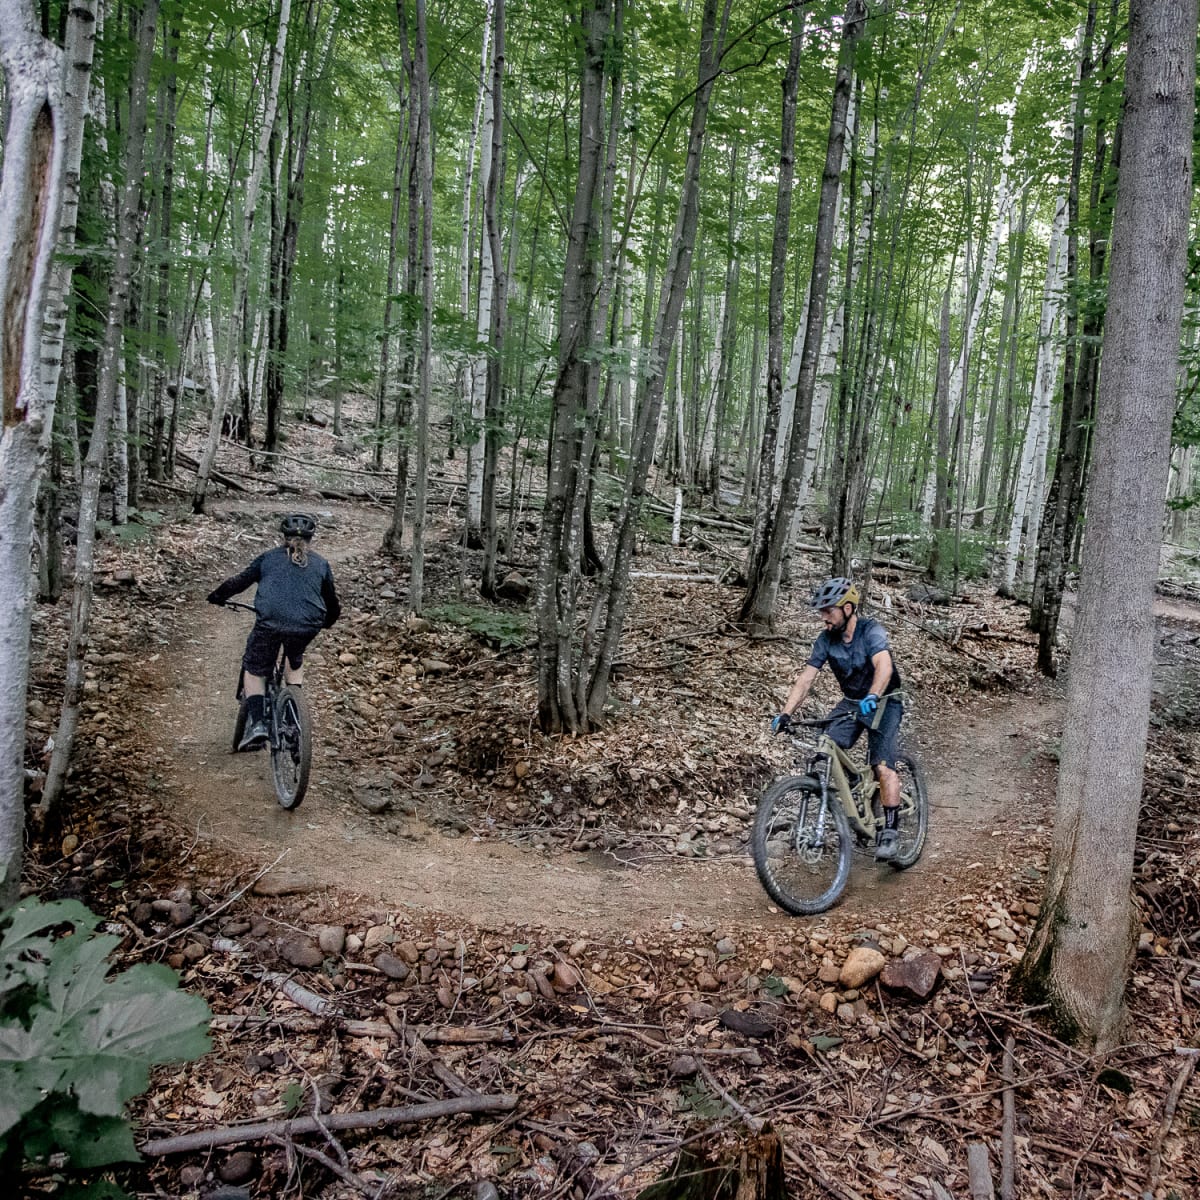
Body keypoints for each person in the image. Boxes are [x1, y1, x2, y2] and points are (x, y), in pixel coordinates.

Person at [770, 576, 905, 861]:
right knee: (826, 744)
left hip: (884, 700)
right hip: (852, 702)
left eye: (827, 610)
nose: (823, 618)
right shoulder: (825, 640)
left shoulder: (871, 631)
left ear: (847, 608)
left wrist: (873, 694)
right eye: (821, 611)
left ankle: (890, 831)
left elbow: (884, 665)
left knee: (882, 767)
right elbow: (806, 679)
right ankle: (856, 790)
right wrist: (786, 713)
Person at [207, 513, 341, 751]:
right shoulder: (320, 563)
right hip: (306, 626)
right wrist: (328, 622)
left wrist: (218, 596)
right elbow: (331, 601)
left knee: (255, 668)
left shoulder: (268, 558)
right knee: (294, 658)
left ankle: (258, 724)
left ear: (283, 536)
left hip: (270, 624)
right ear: (311, 539)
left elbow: (239, 582)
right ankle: (292, 714)